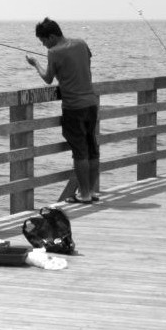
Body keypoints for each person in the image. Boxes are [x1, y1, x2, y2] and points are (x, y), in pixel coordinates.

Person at [25, 17, 101, 204]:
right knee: (92, 149)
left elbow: (48, 78)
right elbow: (85, 64)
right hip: (91, 103)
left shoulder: (53, 52)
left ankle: (84, 194)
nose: (43, 45)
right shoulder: (81, 43)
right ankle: (91, 191)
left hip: (73, 107)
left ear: (51, 37)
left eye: (43, 41)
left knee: (80, 152)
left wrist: (36, 63)